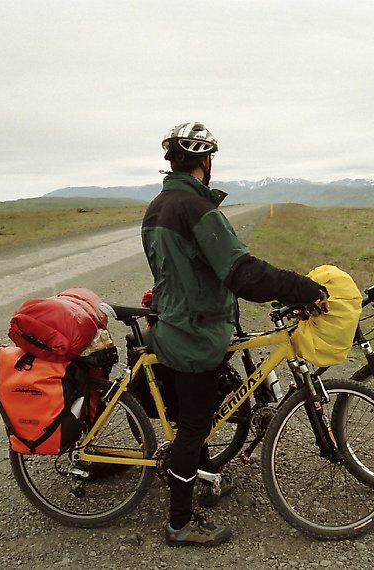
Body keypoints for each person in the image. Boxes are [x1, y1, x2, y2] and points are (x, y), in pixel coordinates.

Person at [141, 122, 328, 547]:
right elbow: (243, 273)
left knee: (197, 416)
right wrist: (300, 287)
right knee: (193, 427)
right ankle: (179, 524)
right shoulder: (196, 208)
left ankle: (206, 477)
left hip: (175, 321)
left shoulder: (158, 206)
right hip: (194, 331)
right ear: (206, 162)